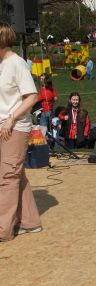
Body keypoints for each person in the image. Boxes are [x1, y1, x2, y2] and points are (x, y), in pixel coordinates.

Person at [0, 22, 42, 242]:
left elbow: (32, 96)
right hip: (4, 126)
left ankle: (3, 230)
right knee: (16, 174)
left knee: (7, 177)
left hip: (15, 127)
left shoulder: (17, 64)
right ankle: (30, 221)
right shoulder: (2, 64)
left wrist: (12, 118)